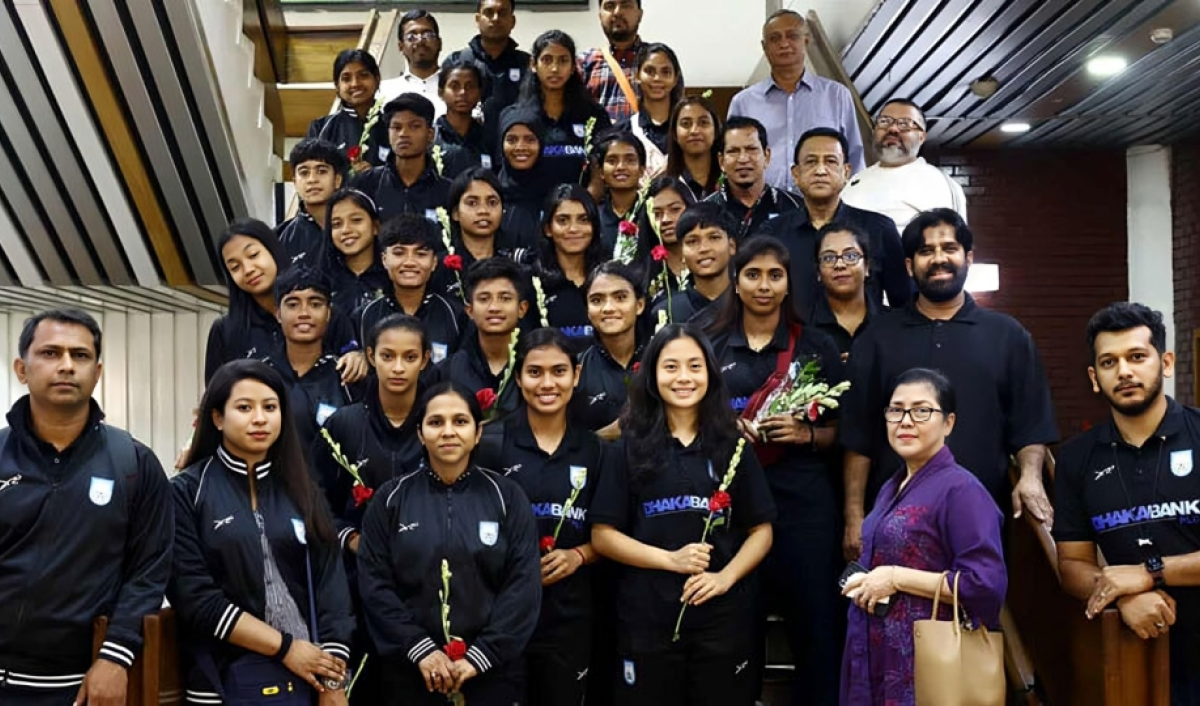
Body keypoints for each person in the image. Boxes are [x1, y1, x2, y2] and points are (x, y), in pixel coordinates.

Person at [840, 208, 1058, 562]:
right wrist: (854, 517)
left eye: (949, 248)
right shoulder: (877, 337)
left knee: (974, 611)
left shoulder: (1007, 335)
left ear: (968, 258)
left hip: (980, 519)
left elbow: (1031, 425)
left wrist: (1031, 477)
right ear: (910, 266)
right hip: (893, 522)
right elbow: (858, 437)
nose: (939, 258)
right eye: (926, 251)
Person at [591, 323, 776, 705]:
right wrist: (669, 560)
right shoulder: (626, 446)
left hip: (721, 620)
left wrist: (724, 578)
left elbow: (762, 530)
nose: (683, 378)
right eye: (670, 367)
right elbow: (603, 535)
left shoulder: (733, 445)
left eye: (695, 366)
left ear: (710, 372)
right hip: (647, 617)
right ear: (652, 375)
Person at [0, 309, 171, 706]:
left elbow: (149, 569)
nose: (65, 366)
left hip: (86, 683)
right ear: (22, 369)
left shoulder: (135, 463)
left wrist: (116, 656)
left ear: (97, 372)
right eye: (50, 353)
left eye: (79, 356)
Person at [704, 237, 846, 706]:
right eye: (753, 275)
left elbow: (843, 433)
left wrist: (806, 436)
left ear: (789, 285)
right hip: (733, 510)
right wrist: (723, 429)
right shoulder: (709, 345)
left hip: (804, 507)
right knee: (737, 633)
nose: (763, 286)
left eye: (775, 275)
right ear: (736, 281)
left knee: (817, 629)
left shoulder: (816, 347)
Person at [169, 359, 355, 706]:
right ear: (218, 418)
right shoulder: (186, 492)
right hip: (221, 680)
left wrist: (332, 679)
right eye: (244, 407)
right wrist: (286, 648)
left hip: (310, 680)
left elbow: (332, 588)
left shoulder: (303, 491)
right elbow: (194, 597)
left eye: (270, 407)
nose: (259, 418)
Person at [357, 382, 541, 704]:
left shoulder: (507, 496)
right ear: (419, 432)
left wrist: (480, 656)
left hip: (492, 672)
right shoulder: (390, 499)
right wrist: (420, 650)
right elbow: (375, 585)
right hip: (412, 671)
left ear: (478, 432)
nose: (448, 432)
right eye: (435, 422)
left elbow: (523, 585)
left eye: (460, 421)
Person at [1053, 302, 1200, 701]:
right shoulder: (1076, 458)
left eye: (1137, 356)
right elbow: (1071, 565)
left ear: (1165, 362)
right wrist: (1123, 592)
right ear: (1094, 377)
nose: (1124, 372)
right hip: (1135, 659)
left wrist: (1150, 572)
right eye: (1109, 362)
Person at [840, 368, 1006, 705]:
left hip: (927, 662)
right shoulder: (891, 486)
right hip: (875, 651)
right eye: (895, 410)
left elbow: (985, 584)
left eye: (921, 410)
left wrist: (897, 578)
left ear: (948, 422)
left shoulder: (962, 490)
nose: (905, 420)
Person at [474, 328, 608, 705]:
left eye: (558, 371)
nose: (547, 383)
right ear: (517, 378)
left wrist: (579, 555)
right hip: (497, 617)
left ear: (576, 376)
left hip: (571, 617)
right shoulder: (488, 444)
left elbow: (613, 531)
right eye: (534, 372)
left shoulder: (597, 452)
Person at [758, 127, 909, 312]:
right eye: (811, 162)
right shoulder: (773, 233)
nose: (820, 170)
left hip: (863, 340)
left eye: (830, 161)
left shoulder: (879, 229)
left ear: (846, 172)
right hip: (794, 340)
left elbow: (904, 303)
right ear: (795, 174)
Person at [204, 218, 366, 386]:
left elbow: (352, 360)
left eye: (253, 255)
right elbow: (216, 395)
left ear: (273, 250)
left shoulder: (326, 315)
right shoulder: (225, 330)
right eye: (235, 267)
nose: (248, 269)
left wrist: (357, 357)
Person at [727, 10, 864, 193]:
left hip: (824, 205)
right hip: (762, 208)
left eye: (792, 36)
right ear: (764, 46)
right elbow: (733, 157)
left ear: (806, 40)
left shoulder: (837, 95)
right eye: (775, 38)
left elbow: (854, 157)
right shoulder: (743, 102)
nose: (784, 44)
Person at [353, 214, 466, 367]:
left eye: (420, 254)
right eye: (399, 253)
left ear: (434, 262)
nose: (410, 262)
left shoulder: (455, 315)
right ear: (384, 259)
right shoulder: (364, 316)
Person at [506, 31, 611, 191]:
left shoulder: (593, 115)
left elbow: (600, 172)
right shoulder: (515, 117)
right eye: (547, 60)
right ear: (533, 65)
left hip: (581, 211)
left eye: (563, 61)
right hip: (531, 209)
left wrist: (585, 207)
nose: (555, 68)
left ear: (573, 67)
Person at [841, 99, 967, 232]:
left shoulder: (937, 183)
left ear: (922, 137)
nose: (893, 129)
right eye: (884, 121)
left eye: (904, 124)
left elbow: (950, 244)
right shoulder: (857, 179)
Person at [274, 267, 360, 458]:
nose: (304, 313)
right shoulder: (259, 376)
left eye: (315, 304)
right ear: (278, 314)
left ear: (328, 313)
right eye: (293, 304)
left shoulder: (347, 376)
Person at [438, 258, 531, 420]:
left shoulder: (538, 367)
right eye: (484, 299)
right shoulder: (447, 371)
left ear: (522, 309)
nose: (494, 307)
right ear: (470, 310)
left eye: (505, 298)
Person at [573, 261, 647, 436]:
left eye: (620, 297)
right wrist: (611, 433)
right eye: (597, 300)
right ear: (588, 311)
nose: (608, 308)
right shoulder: (576, 369)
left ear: (639, 305)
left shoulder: (662, 361)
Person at [352, 94, 451, 223]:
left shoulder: (447, 191)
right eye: (396, 127)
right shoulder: (366, 183)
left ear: (430, 134)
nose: (403, 134)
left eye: (414, 126)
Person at [533, 185, 609, 351]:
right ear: (548, 229)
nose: (574, 229)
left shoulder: (610, 278)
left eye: (583, 220)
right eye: (563, 220)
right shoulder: (532, 282)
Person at [703, 117, 801, 240]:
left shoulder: (795, 207)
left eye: (751, 150)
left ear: (767, 156)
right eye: (733, 151)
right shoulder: (705, 211)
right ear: (721, 161)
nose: (743, 159)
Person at [445, 0, 530, 134]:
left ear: (512, 21)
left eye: (502, 13)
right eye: (489, 13)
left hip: (514, 147)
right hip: (467, 148)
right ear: (478, 19)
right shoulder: (456, 62)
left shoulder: (528, 64)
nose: (496, 19)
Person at [651, 202, 737, 325]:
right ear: (682, 253)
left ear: (732, 246)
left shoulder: (753, 303)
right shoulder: (667, 312)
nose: (704, 248)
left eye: (714, 238)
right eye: (692, 241)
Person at [307, 49, 390, 173]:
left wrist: (375, 176)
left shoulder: (394, 126)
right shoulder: (321, 128)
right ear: (337, 86)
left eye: (363, 75)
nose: (355, 83)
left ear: (377, 79)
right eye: (346, 78)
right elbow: (312, 177)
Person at [809, 222, 881, 362]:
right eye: (828, 258)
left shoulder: (891, 325)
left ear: (867, 266)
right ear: (818, 271)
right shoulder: (802, 328)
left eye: (851, 256)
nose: (840, 265)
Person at [615, 43, 684, 181]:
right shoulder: (624, 131)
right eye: (650, 71)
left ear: (675, 78)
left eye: (665, 72)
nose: (657, 78)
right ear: (637, 76)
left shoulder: (687, 131)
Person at [279, 139, 348, 266]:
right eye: (304, 173)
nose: (312, 179)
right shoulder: (280, 238)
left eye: (321, 171)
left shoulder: (359, 227)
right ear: (294, 182)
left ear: (337, 180)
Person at [322, 189, 389, 315]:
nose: (346, 230)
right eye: (336, 224)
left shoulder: (393, 277)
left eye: (356, 220)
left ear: (376, 227)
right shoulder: (323, 282)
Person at [578, 0, 646, 123]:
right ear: (600, 16)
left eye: (625, 5)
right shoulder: (585, 63)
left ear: (640, 15)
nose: (617, 12)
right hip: (600, 141)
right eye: (609, 6)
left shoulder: (659, 61)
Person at [639, 175, 696, 308]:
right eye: (657, 213)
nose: (665, 220)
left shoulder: (708, 262)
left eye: (675, 210)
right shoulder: (640, 274)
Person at [497, 108, 555, 236]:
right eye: (512, 140)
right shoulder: (492, 195)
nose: (520, 147)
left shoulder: (555, 196)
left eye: (530, 139)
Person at [380, 10, 447, 118]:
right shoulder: (384, 91)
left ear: (439, 43)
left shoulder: (457, 89)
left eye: (428, 35)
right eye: (411, 37)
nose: (420, 41)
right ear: (400, 46)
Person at [433, 58, 490, 179]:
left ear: (480, 93)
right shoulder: (431, 137)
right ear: (441, 92)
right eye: (454, 86)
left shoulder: (489, 138)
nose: (463, 92)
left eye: (470, 86)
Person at [592, 130, 648, 253]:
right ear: (601, 171)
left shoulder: (652, 213)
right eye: (612, 161)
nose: (621, 167)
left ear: (642, 169)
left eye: (630, 160)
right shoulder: (593, 217)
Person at [665, 95, 722, 201]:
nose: (694, 131)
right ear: (674, 133)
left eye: (703, 123)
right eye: (686, 124)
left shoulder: (730, 181)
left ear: (716, 130)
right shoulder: (662, 185)